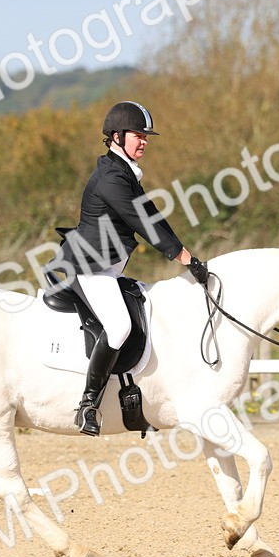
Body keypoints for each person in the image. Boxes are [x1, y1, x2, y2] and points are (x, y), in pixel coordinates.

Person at [50, 100, 208, 436]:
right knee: (119, 325)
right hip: (91, 270)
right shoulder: (111, 178)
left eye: (146, 135)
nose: (145, 141)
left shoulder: (123, 172)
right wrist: (183, 258)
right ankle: (88, 405)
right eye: (139, 135)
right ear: (117, 136)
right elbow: (143, 222)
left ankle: (136, 400)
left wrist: (186, 254)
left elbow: (152, 214)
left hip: (108, 269)